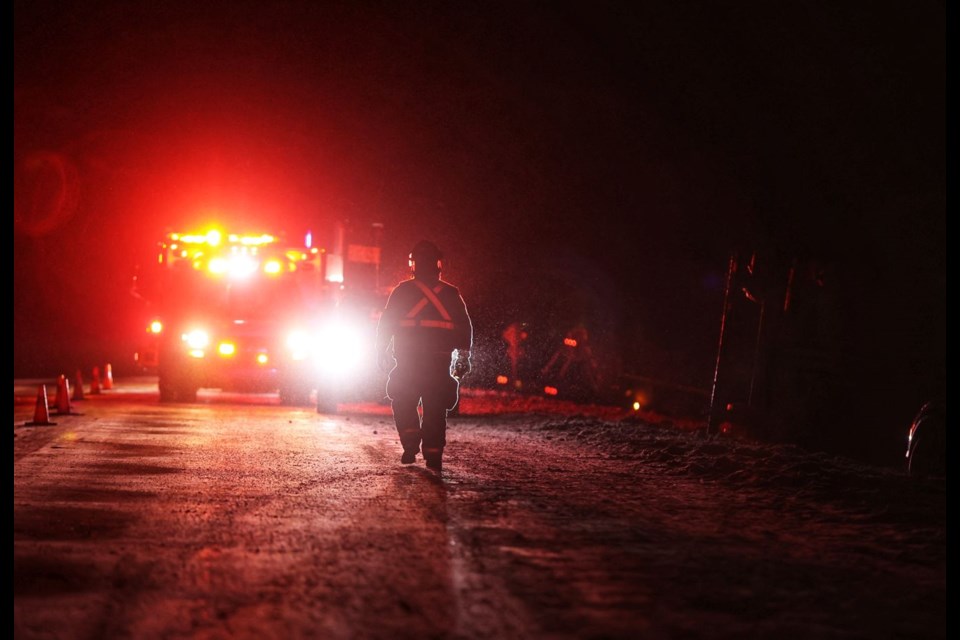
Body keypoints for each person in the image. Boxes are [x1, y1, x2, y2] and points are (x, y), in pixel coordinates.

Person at [376, 240, 473, 473]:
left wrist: (381, 350)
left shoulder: (402, 292)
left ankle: (410, 444)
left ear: (414, 264)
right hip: (438, 362)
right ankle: (433, 455)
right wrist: (464, 355)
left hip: (408, 362)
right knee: (436, 407)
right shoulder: (451, 294)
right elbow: (464, 326)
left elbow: (386, 323)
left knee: (403, 400)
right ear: (438, 264)